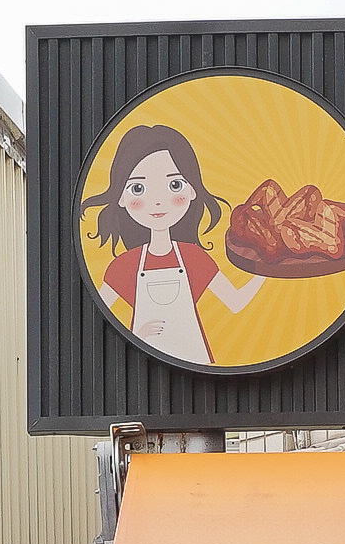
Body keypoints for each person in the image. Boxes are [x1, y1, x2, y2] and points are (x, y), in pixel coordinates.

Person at [84, 121, 258, 371]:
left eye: (174, 184)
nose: (157, 201)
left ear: (192, 190)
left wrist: (267, 269)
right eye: (138, 188)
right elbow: (95, 315)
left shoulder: (194, 258)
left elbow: (236, 302)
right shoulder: (125, 265)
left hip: (197, 362)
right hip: (142, 366)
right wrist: (135, 336)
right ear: (121, 197)